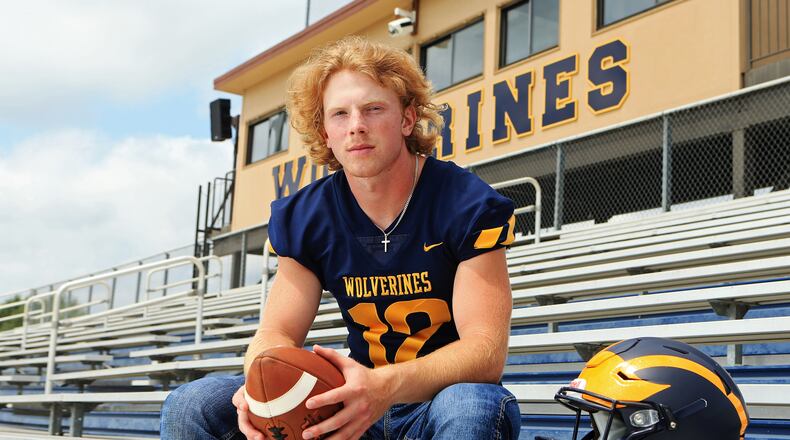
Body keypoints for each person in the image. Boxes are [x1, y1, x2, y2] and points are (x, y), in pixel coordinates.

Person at [160, 35, 520, 440]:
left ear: (406, 119)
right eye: (339, 115)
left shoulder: (466, 203)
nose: (357, 127)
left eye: (373, 109)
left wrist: (386, 387)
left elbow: (485, 353)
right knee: (192, 403)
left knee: (471, 404)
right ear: (325, 133)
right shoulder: (308, 216)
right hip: (353, 405)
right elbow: (276, 332)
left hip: (435, 403)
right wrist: (260, 383)